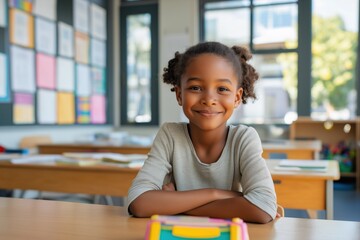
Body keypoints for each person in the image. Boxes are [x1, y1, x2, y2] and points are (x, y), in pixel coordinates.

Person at [126, 41, 277, 223]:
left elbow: (263, 208)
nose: (208, 99)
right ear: (179, 94)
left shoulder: (244, 139)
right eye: (196, 88)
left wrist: (174, 205)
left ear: (237, 98)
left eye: (222, 89)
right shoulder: (170, 135)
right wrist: (219, 194)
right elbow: (139, 203)